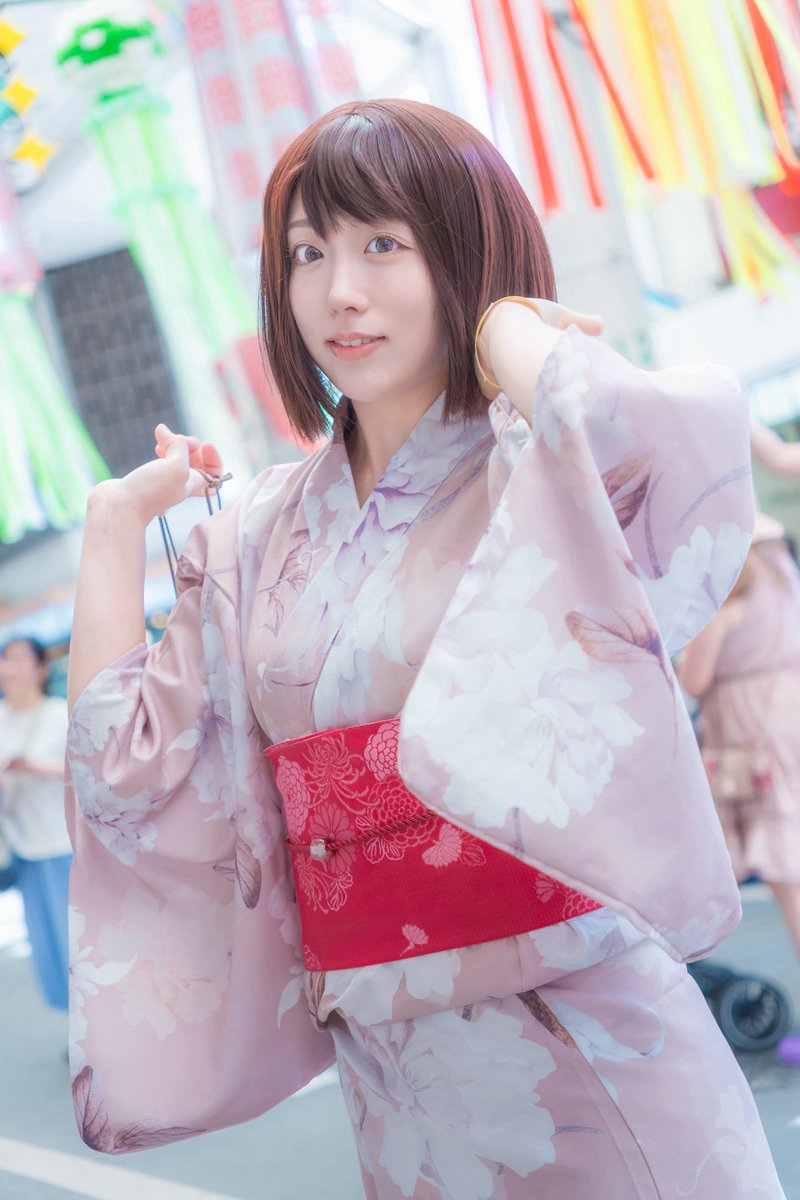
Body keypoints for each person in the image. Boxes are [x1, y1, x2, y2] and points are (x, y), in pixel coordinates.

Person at [64, 99, 784, 1197]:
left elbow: (660, 451)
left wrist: (506, 326)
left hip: (581, 1031)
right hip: (391, 1068)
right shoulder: (254, 531)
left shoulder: (530, 462)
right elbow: (122, 768)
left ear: (464, 249)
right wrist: (113, 525)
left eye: (383, 245)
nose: (338, 291)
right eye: (307, 253)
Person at [0, 637, 71, 1012]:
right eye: (4, 659)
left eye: (18, 659)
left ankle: (100, 1025)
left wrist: (33, 767)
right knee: (46, 946)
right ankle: (72, 1022)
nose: (8, 667)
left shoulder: (59, 714)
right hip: (20, 848)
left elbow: (87, 770)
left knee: (76, 939)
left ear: (41, 669)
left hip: (62, 845)